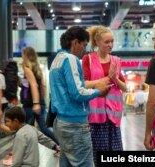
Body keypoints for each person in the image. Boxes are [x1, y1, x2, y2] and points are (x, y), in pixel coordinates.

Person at [49, 26, 109, 167]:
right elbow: (77, 93)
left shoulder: (57, 59)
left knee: (66, 163)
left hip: (61, 122)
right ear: (75, 42)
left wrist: (94, 85)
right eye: (84, 45)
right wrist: (98, 91)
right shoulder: (71, 59)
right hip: (75, 124)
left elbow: (71, 88)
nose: (85, 49)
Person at [82, 25, 127, 166]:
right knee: (97, 156)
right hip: (95, 118)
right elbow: (84, 83)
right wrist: (105, 79)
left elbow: (125, 87)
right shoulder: (88, 59)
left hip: (113, 116)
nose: (110, 45)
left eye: (112, 41)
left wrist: (115, 78)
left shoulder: (116, 60)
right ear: (97, 42)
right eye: (107, 42)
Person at [20, 46, 59, 145]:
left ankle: (24, 150)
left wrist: (36, 103)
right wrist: (41, 101)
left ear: (26, 56)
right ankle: (61, 145)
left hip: (31, 104)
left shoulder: (27, 69)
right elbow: (43, 86)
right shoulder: (37, 69)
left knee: (27, 128)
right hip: (38, 103)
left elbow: (34, 85)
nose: (21, 57)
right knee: (43, 128)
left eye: (22, 55)